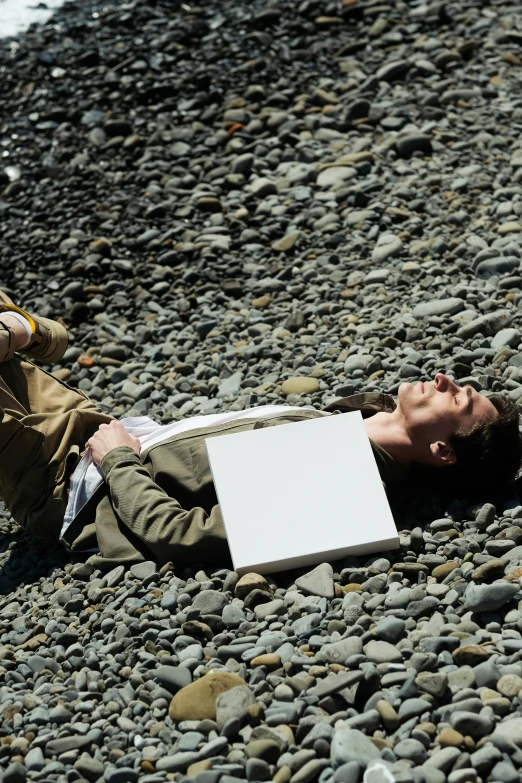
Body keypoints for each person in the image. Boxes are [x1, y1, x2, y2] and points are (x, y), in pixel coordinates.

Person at [0, 292, 520, 572]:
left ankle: (34, 335)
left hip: (68, 486)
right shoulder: (358, 424)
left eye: (461, 399)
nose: (445, 378)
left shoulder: (347, 494)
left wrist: (118, 460)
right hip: (97, 430)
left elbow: (179, 537)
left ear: (441, 451)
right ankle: (31, 332)